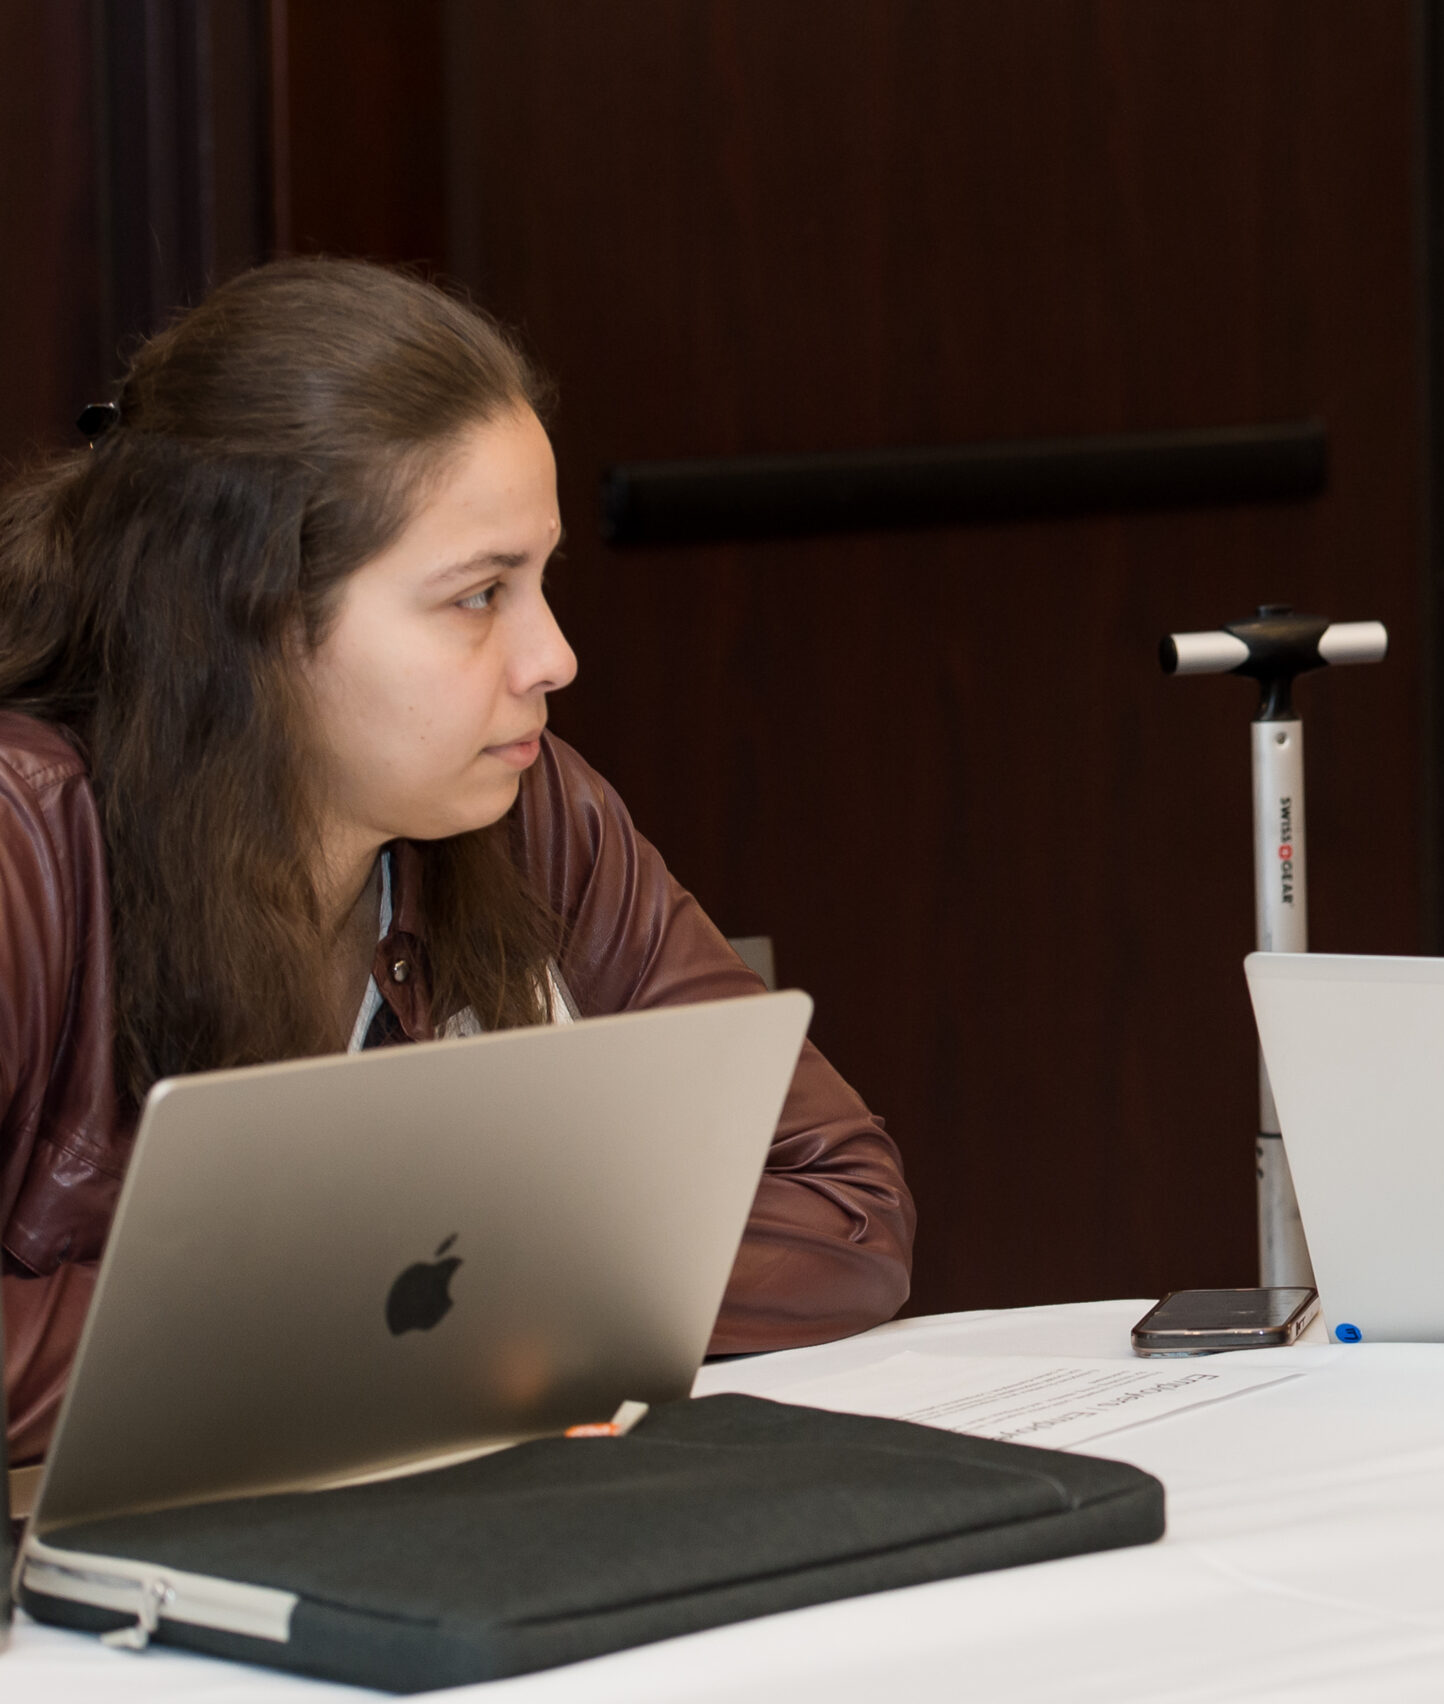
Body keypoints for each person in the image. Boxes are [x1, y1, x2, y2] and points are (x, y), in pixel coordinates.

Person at [0, 259, 915, 1464]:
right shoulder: (26, 840)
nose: (554, 656)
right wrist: (400, 1310)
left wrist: (442, 1310)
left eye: (539, 580)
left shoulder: (532, 808)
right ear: (244, 618)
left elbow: (843, 1208)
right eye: (480, 595)